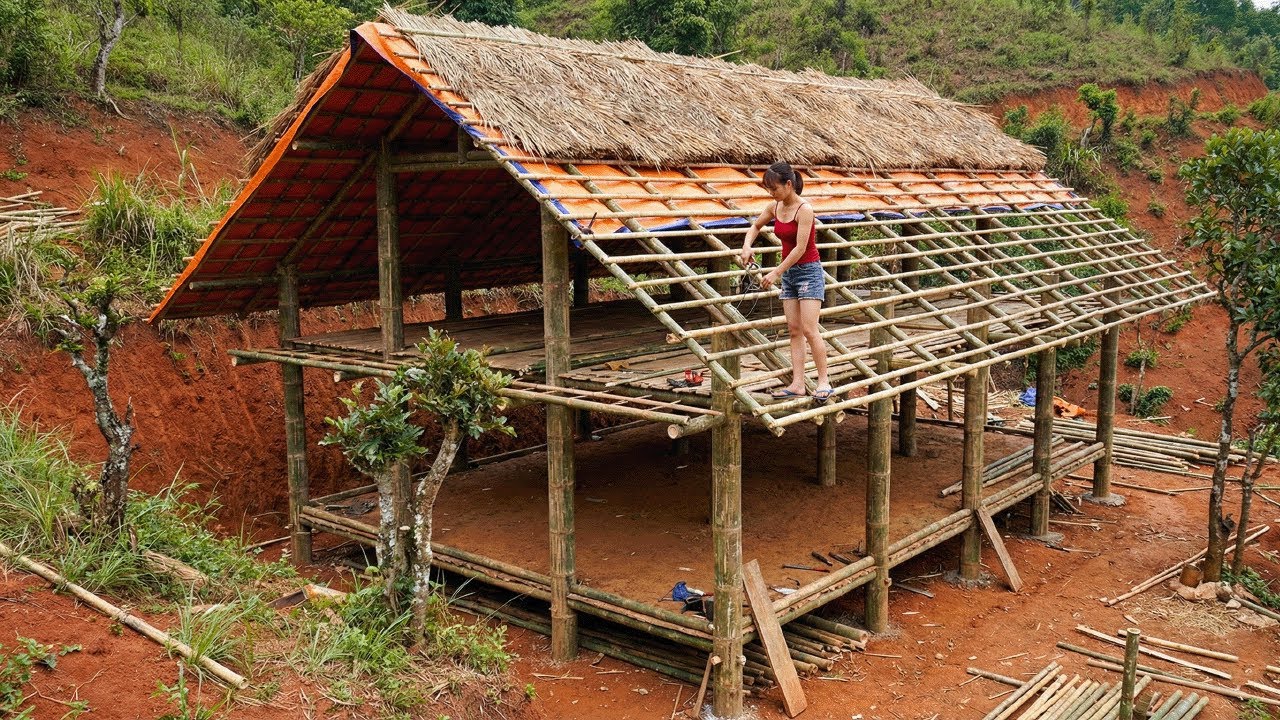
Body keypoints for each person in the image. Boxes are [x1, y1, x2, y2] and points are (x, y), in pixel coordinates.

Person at [739, 161, 831, 401]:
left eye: (775, 188)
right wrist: (747, 245)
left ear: (788, 185)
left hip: (808, 271)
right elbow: (755, 226)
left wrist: (775, 272)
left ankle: (824, 381)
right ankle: (798, 383)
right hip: (789, 273)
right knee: (794, 330)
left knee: (811, 329)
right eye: (769, 189)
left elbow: (800, 248)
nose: (772, 193)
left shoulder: (805, 210)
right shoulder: (774, 206)